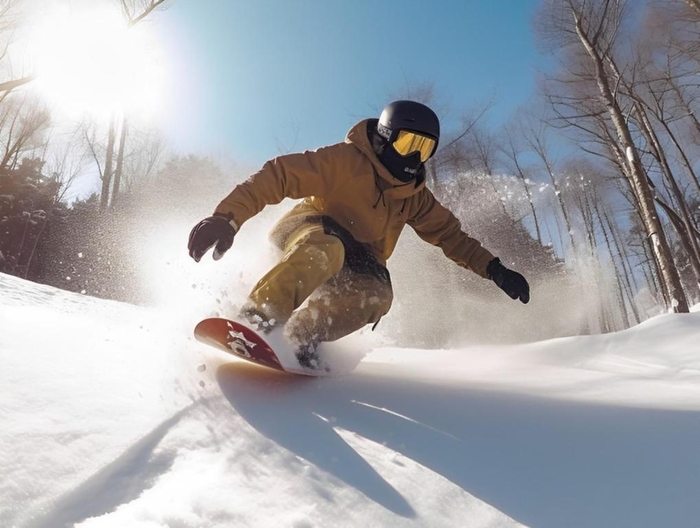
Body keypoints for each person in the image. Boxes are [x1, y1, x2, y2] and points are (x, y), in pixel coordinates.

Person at [188, 100, 529, 369]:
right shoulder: (346, 161)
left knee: (378, 295)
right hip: (310, 228)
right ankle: (257, 318)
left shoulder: (415, 196)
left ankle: (298, 338)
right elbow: (279, 175)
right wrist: (227, 218)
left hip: (360, 254)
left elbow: (451, 236)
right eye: (408, 142)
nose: (414, 156)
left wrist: (494, 268)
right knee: (327, 248)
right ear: (384, 137)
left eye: (424, 149)